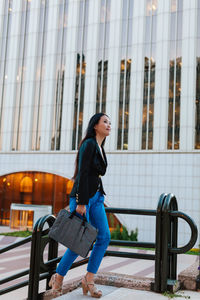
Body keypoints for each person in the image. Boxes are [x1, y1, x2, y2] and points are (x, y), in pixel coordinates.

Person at [49, 113, 111, 298]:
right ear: (95, 126)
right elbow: (83, 173)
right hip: (83, 198)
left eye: (110, 122)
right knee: (79, 241)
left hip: (97, 197)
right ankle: (58, 277)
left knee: (104, 237)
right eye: (105, 122)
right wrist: (82, 202)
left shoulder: (100, 146)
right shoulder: (89, 144)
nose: (109, 125)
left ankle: (89, 279)